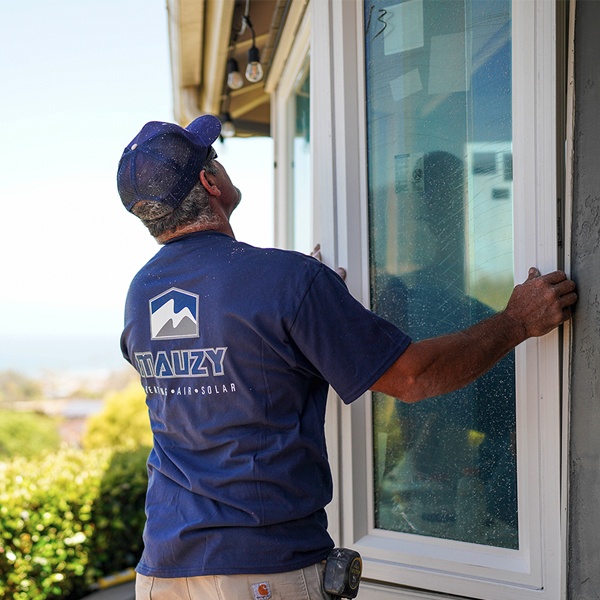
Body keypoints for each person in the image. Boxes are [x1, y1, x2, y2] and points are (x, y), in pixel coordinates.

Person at [116, 115, 577, 600]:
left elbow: (228, 375)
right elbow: (413, 379)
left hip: (162, 572)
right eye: (216, 159)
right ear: (210, 181)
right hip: (260, 571)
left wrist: (314, 313)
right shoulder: (285, 280)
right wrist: (518, 322)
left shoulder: (139, 295)